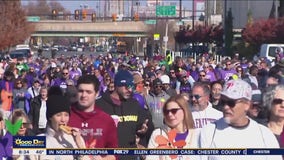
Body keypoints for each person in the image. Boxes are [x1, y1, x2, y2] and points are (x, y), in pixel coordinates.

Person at [198, 79, 282, 160]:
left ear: (247, 105)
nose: (226, 107)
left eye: (231, 102)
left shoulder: (264, 134)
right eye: (223, 102)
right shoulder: (209, 131)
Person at [96, 70, 153, 160]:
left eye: (131, 86)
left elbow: (142, 127)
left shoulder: (134, 104)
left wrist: (142, 130)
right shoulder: (100, 105)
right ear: (117, 85)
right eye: (126, 87)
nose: (130, 90)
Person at [68, 75, 117, 160]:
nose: (84, 95)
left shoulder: (106, 120)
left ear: (97, 93)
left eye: (88, 92)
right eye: (81, 91)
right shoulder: (65, 116)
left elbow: (114, 154)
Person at [34, 95, 89, 160]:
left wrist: (80, 145)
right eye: (58, 115)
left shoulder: (75, 139)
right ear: (50, 117)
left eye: (66, 115)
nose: (63, 119)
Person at [146, 95, 199, 160]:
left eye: (174, 111)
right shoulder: (158, 134)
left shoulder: (196, 135)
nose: (170, 114)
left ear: (184, 110)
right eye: (167, 112)